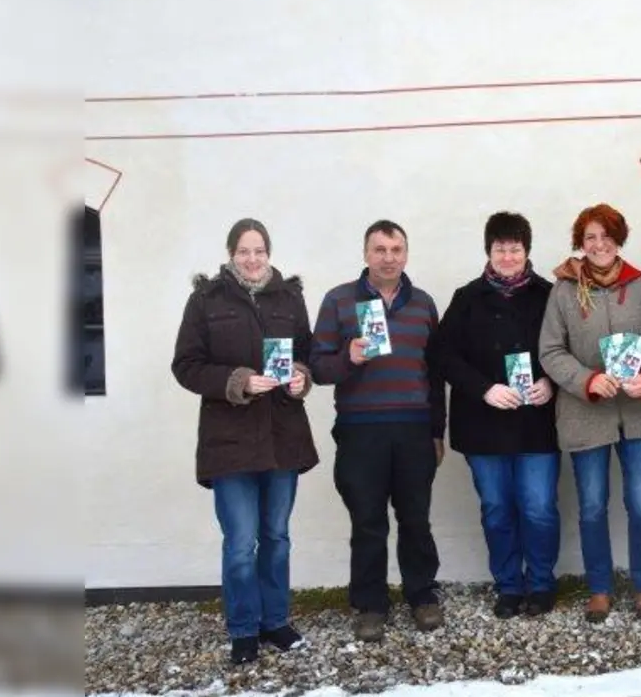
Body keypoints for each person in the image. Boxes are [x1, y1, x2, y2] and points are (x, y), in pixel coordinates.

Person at [170, 218, 318, 665]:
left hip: (281, 438)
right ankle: (242, 628)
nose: (252, 259)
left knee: (277, 536)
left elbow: (307, 357)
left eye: (259, 251)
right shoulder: (206, 299)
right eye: (243, 251)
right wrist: (237, 380)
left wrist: (300, 378)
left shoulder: (290, 298)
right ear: (231, 253)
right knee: (240, 541)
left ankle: (276, 621)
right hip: (229, 443)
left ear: (269, 253)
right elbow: (186, 366)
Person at [311, 220, 447, 641]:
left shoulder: (423, 304)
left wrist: (437, 431)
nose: (389, 257)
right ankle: (370, 604)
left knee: (415, 519)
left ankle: (422, 595)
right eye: (380, 249)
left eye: (396, 249)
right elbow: (318, 368)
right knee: (368, 521)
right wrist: (348, 357)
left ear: (406, 254)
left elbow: (436, 373)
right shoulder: (338, 301)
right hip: (360, 429)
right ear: (366, 254)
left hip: (413, 430)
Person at [538, 203, 641, 623]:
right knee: (593, 505)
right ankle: (599, 588)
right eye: (590, 237)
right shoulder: (563, 290)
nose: (599, 245)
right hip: (585, 414)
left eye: (606, 236)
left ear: (618, 239)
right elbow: (550, 351)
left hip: (638, 415)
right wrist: (586, 381)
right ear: (581, 242)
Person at [433, 212, 561, 619]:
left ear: (527, 251)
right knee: (497, 508)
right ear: (488, 251)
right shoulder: (467, 298)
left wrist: (552, 383)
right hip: (483, 426)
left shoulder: (550, 295)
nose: (508, 256)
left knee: (539, 507)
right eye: (500, 248)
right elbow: (442, 356)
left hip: (537, 424)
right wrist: (484, 389)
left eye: (515, 248)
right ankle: (508, 585)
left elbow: (570, 346)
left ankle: (540, 583)